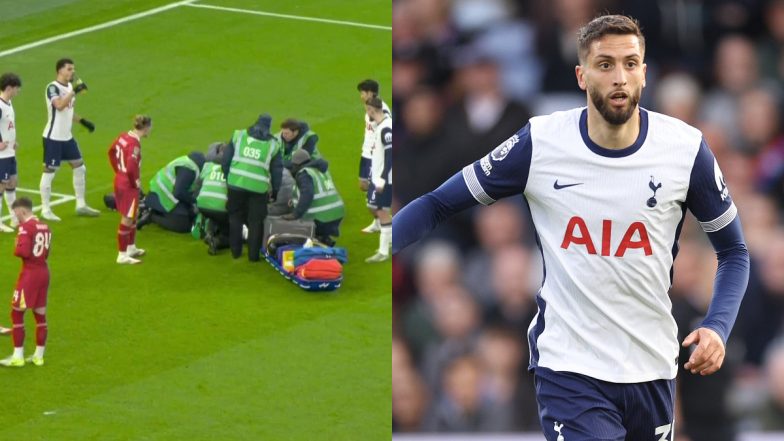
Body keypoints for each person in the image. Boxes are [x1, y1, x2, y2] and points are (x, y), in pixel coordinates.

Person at [393, 15, 750, 440]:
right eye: (605, 64)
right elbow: (437, 203)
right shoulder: (542, 143)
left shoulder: (685, 149)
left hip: (651, 367)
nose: (620, 77)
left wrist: (717, 326)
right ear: (581, 75)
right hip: (569, 367)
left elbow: (734, 252)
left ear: (645, 72)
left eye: (630, 63)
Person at [39, 58, 100, 221]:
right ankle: (45, 209)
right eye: (69, 69)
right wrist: (74, 92)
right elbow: (59, 106)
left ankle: (81, 204)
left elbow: (67, 111)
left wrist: (82, 121)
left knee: (80, 167)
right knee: (49, 171)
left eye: (73, 69)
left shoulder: (68, 87)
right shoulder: (52, 87)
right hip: (53, 137)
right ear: (60, 70)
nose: (72, 72)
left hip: (67, 137)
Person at [222, 114, 281, 261]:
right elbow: (276, 171)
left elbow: (226, 160)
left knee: (235, 217)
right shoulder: (273, 145)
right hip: (258, 188)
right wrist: (276, 190)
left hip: (236, 183)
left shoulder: (239, 135)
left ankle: (235, 252)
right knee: (256, 221)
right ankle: (253, 256)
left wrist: (228, 177)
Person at [0, 198, 51, 367]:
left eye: (15, 213)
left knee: (17, 313)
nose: (15, 217)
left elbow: (23, 251)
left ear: (22, 211)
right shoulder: (46, 227)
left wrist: (17, 244)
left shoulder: (25, 228)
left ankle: (18, 357)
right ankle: (38, 356)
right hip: (44, 271)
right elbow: (46, 253)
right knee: (40, 314)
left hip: (30, 274)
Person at [108, 115, 152, 264]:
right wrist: (135, 182)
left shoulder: (123, 136)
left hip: (120, 179)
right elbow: (132, 167)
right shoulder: (134, 144)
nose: (150, 131)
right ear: (145, 128)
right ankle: (121, 255)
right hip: (128, 185)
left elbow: (111, 151)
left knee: (134, 214)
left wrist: (118, 170)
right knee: (127, 217)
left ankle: (131, 247)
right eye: (149, 128)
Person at [282, 149, 345, 246]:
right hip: (337, 213)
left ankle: (316, 242)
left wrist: (295, 214)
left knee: (298, 228)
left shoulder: (304, 173)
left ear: (297, 164)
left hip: (321, 217)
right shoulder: (321, 170)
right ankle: (324, 239)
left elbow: (307, 194)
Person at [357, 79, 392, 234]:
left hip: (375, 157)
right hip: (366, 154)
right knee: (363, 185)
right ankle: (378, 222)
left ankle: (387, 226)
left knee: (375, 195)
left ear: (371, 93)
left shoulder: (381, 110)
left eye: (363, 92)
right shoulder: (369, 108)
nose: (361, 96)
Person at [140, 152, 205, 233]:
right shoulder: (190, 168)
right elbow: (179, 193)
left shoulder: (190, 163)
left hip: (161, 193)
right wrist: (195, 202)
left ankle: (153, 211)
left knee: (190, 215)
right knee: (183, 224)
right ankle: (151, 217)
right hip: (161, 197)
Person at [365, 96, 393, 263]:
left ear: (371, 110)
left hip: (385, 180)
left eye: (367, 110)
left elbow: (389, 157)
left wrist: (382, 179)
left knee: (383, 212)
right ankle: (388, 241)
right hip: (378, 177)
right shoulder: (381, 126)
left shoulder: (385, 129)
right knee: (377, 208)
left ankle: (383, 251)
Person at [197, 145, 229, 255]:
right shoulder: (232, 168)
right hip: (221, 208)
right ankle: (217, 241)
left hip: (202, 205)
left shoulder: (207, 166)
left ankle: (209, 233)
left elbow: (198, 186)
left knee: (213, 211)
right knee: (235, 236)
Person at [0, 73, 21, 232]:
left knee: (12, 183)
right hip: (1, 155)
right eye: (16, 88)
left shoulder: (9, 103)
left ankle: (15, 219)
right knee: (1, 186)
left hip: (9, 152)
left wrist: (13, 141)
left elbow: (8, 126)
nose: (17, 91)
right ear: (9, 88)